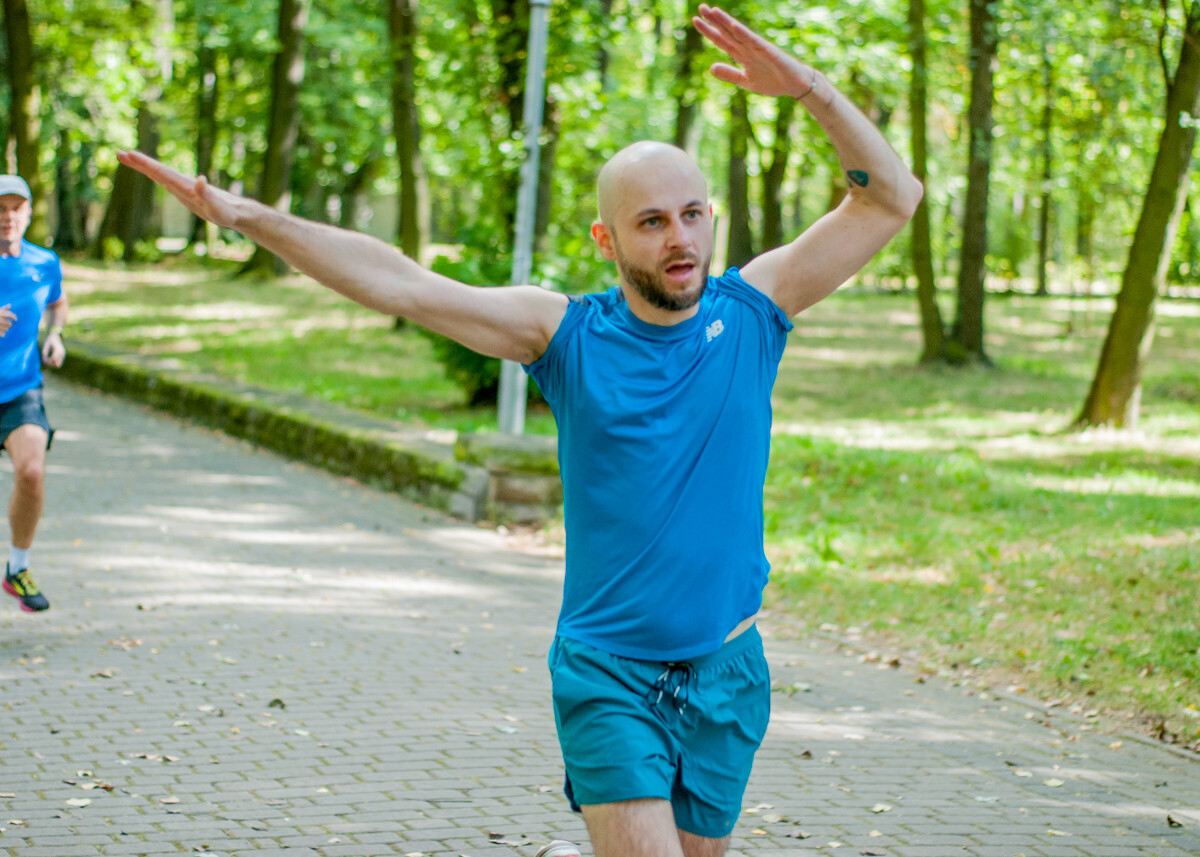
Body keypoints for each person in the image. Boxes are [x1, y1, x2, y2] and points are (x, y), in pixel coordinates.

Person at [117, 5, 921, 854]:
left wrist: (809, 88)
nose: (679, 239)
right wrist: (250, 218)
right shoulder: (566, 334)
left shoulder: (755, 310)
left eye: (692, 214)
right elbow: (402, 284)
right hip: (609, 671)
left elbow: (889, 198)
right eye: (651, 222)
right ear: (607, 239)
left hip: (729, 669)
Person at [0, 174, 68, 614]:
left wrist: (56, 334)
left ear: (27, 214)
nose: (7, 217)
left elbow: (57, 301)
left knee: (31, 473)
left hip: (19, 389)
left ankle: (17, 568)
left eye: (15, 208)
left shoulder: (45, 262)